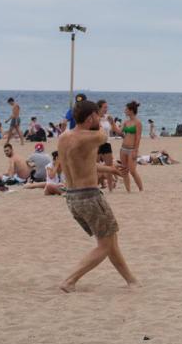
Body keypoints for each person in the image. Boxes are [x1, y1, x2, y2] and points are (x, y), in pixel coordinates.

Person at [58, 100, 137, 292]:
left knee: (110, 240)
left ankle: (131, 280)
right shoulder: (88, 137)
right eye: (97, 115)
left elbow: (84, 165)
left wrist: (109, 169)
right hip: (89, 197)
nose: (100, 118)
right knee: (105, 245)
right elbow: (104, 135)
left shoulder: (64, 137)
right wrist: (101, 121)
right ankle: (70, 280)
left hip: (73, 197)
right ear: (90, 117)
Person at [117, 101, 144, 192]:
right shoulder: (125, 122)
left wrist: (136, 150)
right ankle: (128, 190)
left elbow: (138, 137)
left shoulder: (138, 123)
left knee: (132, 171)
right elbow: (119, 132)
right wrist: (112, 124)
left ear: (131, 111)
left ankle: (141, 189)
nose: (124, 111)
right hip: (123, 148)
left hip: (132, 149)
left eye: (126, 110)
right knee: (124, 171)